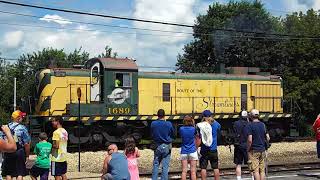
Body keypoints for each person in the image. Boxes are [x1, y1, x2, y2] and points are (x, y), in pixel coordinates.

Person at [2, 110, 31, 180]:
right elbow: (27, 143)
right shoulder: (22, 128)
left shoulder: (6, 127)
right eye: (22, 117)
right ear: (18, 118)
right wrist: (27, 155)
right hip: (19, 151)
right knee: (20, 173)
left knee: (8, 173)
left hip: (8, 151)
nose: (22, 118)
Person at [150, 109, 175, 180]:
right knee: (165, 166)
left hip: (157, 146)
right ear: (164, 115)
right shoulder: (169, 124)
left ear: (157, 115)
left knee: (156, 164)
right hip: (167, 146)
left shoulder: (153, 123)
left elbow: (152, 134)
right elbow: (173, 134)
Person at [247, 109, 270, 180]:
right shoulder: (263, 125)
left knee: (255, 171)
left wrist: (248, 149)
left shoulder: (250, 125)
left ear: (251, 116)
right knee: (262, 170)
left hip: (254, 150)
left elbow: (250, 140)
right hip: (262, 150)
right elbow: (268, 137)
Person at [198, 110, 221, 180]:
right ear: (211, 116)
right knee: (215, 167)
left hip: (204, 149)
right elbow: (219, 131)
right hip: (213, 149)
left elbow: (198, 136)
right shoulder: (216, 124)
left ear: (203, 116)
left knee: (203, 168)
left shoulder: (201, 125)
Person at [179, 115, 198, 180]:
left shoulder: (181, 129)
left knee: (184, 171)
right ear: (191, 121)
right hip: (192, 151)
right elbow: (196, 136)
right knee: (193, 171)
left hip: (184, 151)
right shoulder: (193, 129)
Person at [233, 110, 249, 180]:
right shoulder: (250, 124)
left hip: (238, 145)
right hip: (247, 146)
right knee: (250, 164)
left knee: (238, 164)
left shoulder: (236, 123)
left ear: (240, 116)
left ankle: (239, 178)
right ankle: (253, 177)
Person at [51, 116, 68, 180]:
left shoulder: (56, 132)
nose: (52, 122)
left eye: (53, 121)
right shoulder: (65, 131)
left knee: (56, 175)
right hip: (63, 156)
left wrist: (50, 146)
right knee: (63, 174)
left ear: (57, 122)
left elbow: (56, 146)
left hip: (56, 158)